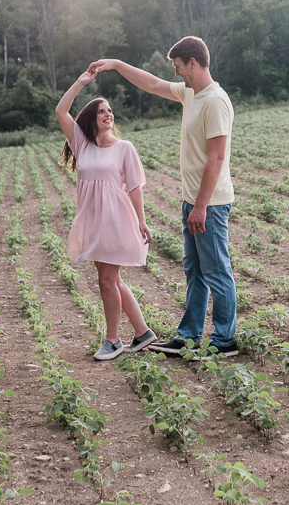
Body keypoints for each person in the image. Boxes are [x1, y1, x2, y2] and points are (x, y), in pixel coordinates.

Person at [89, 36, 238, 358]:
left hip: (209, 203)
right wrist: (114, 64)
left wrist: (200, 207)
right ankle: (188, 337)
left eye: (178, 67)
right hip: (193, 201)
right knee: (195, 272)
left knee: (216, 271)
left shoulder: (215, 100)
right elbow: (152, 83)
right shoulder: (191, 93)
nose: (177, 73)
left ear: (193, 63)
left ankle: (225, 340)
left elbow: (217, 158)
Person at [55, 69, 156, 361]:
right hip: (95, 221)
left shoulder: (125, 148)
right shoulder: (82, 144)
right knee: (111, 280)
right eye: (102, 111)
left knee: (106, 281)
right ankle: (142, 331)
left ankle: (113, 340)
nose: (108, 114)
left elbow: (135, 187)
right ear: (91, 117)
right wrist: (81, 81)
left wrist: (141, 220)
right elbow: (61, 110)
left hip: (116, 220)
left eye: (110, 110)